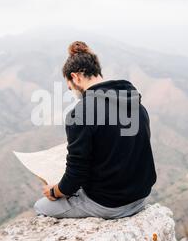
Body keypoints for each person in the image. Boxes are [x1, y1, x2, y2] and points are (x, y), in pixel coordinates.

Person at [34, 41, 157, 219]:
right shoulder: (133, 101)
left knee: (41, 206)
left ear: (76, 77)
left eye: (70, 87)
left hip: (109, 203)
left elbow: (75, 176)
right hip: (140, 196)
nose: (72, 92)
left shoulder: (81, 113)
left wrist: (55, 191)